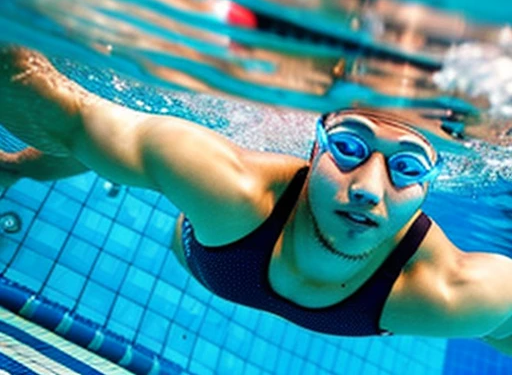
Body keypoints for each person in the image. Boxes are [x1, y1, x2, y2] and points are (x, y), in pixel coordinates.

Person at [2, 46, 512, 354]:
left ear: (429, 185)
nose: (368, 189)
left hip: (222, 260)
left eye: (407, 167)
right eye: (349, 147)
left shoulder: (451, 292)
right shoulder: (231, 189)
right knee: (92, 147)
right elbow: (72, 118)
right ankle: (14, 169)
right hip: (208, 244)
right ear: (315, 149)